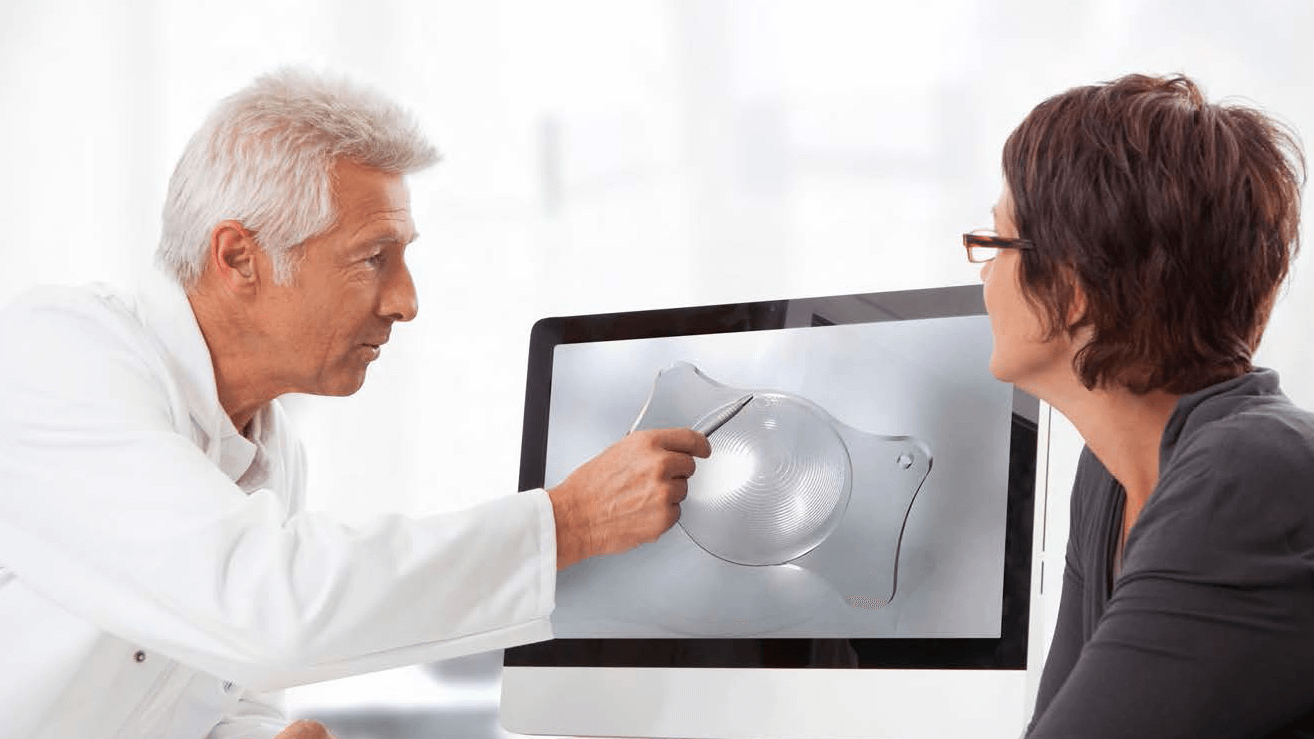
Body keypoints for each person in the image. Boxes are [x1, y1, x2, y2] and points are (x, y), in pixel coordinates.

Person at [0, 68, 710, 739]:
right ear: (239, 258)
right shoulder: (61, 357)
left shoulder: (270, 448)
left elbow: (209, 678)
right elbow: (264, 601)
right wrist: (570, 522)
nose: (406, 301)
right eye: (374, 257)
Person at [967, 73, 1314, 737]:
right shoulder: (1110, 476)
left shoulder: (1249, 473)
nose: (984, 275)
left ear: (1071, 289)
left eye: (996, 243)